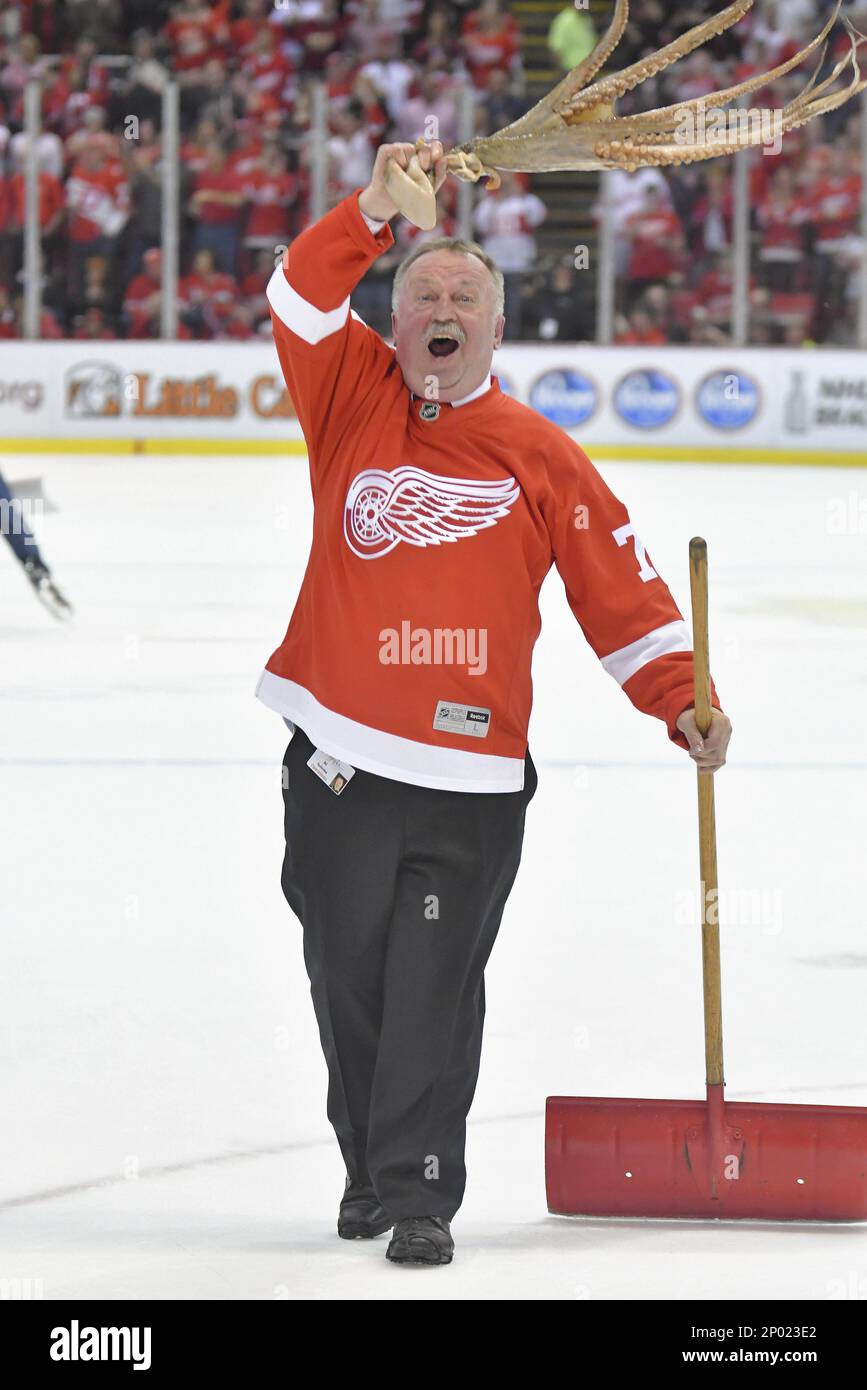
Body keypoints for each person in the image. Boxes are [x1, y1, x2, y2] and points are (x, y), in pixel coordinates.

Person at [257, 140, 732, 1267]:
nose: (442, 303)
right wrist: (375, 208)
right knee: (345, 972)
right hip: (339, 762)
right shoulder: (350, 395)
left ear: (497, 328)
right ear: (398, 310)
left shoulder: (537, 453)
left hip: (468, 784)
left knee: (432, 982)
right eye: (423, 289)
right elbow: (299, 292)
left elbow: (621, 586)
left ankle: (418, 1189)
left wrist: (684, 697)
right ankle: (367, 1158)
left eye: (466, 293)